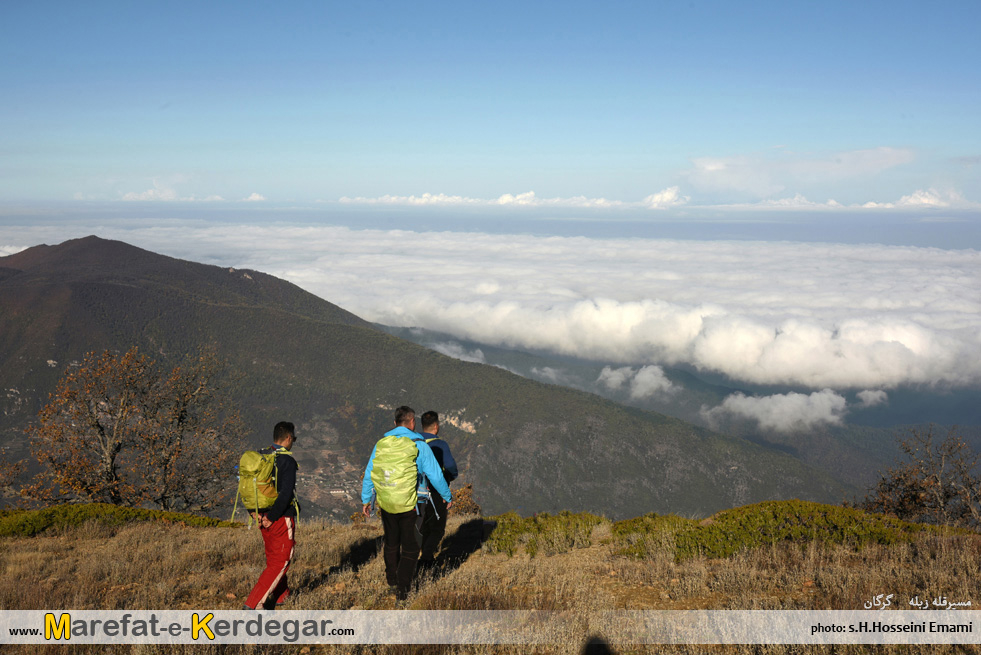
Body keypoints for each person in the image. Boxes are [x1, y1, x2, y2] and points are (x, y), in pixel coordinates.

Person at [361, 406, 452, 601]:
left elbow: (370, 472)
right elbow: (435, 475)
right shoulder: (419, 444)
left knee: (391, 542)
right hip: (413, 503)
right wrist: (447, 496)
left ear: (395, 423)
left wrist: (366, 499)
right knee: (410, 547)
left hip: (386, 502)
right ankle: (403, 592)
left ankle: (392, 580)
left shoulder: (382, 444)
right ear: (412, 423)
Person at [244, 421, 299, 610]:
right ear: (289, 438)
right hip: (279, 518)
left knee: (274, 557)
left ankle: (282, 595)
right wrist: (273, 516)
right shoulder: (287, 461)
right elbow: (286, 493)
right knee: (281, 561)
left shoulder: (262, 456)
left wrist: (254, 513)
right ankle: (252, 605)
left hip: (260, 516)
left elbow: (249, 487)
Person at [417, 410, 458, 567]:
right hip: (435, 491)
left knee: (422, 523)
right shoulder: (440, 445)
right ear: (436, 426)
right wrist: (449, 479)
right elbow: (450, 467)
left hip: (414, 490)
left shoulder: (413, 443)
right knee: (437, 526)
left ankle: (420, 552)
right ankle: (426, 557)